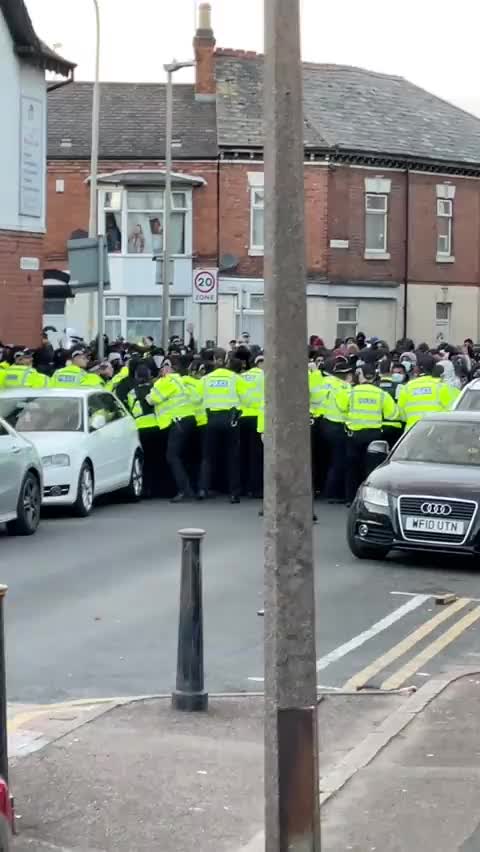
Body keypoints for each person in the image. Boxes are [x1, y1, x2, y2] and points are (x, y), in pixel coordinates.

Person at [337, 361, 398, 504]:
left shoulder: (351, 392)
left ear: (360, 375)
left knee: (352, 469)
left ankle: (350, 499)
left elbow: (340, 406)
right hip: (374, 435)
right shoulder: (381, 394)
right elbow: (393, 414)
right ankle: (369, 500)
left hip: (354, 435)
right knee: (372, 470)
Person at [198, 348, 248, 504]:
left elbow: (197, 398)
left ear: (213, 360)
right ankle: (234, 493)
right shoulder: (234, 378)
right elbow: (246, 398)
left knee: (207, 456)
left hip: (211, 419)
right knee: (232, 456)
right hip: (230, 418)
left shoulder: (205, 379)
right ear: (227, 361)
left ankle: (203, 489)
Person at [148, 356, 197, 502]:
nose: (162, 369)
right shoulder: (182, 380)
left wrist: (150, 391)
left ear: (169, 368)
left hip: (178, 421)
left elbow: (152, 399)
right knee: (183, 456)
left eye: (164, 366)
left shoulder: (166, 381)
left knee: (172, 456)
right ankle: (191, 489)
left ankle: (183, 491)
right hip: (189, 419)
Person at [321, 357, 353, 502]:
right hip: (338, 425)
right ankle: (333, 493)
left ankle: (324, 490)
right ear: (348, 375)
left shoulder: (326, 382)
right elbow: (343, 406)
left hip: (323, 422)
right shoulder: (345, 387)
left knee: (326, 459)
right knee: (338, 460)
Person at [397, 354, 457, 430]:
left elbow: (402, 415)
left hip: (411, 435)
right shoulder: (442, 387)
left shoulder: (406, 388)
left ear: (417, 369)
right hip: (436, 433)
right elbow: (455, 411)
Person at [126, 363, 158, 498]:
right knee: (157, 459)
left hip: (140, 428)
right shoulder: (155, 388)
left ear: (136, 377)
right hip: (157, 427)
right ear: (150, 375)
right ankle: (159, 489)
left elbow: (131, 410)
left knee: (142, 461)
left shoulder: (132, 393)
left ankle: (145, 489)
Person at [240, 353, 265, 497]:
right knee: (257, 456)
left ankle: (244, 487)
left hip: (243, 417)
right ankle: (255, 488)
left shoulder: (243, 376)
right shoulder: (266, 376)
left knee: (243, 454)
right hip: (258, 418)